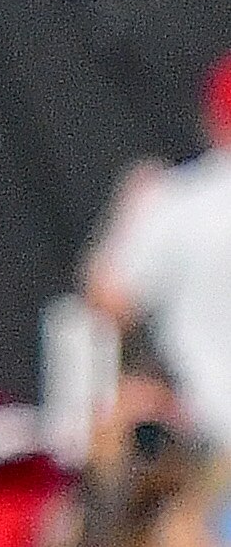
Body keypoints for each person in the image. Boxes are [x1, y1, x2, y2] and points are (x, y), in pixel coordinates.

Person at [87, 54, 231, 446]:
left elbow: (111, 302)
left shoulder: (179, 202)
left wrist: (128, 214)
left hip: (211, 445)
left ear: (214, 117)